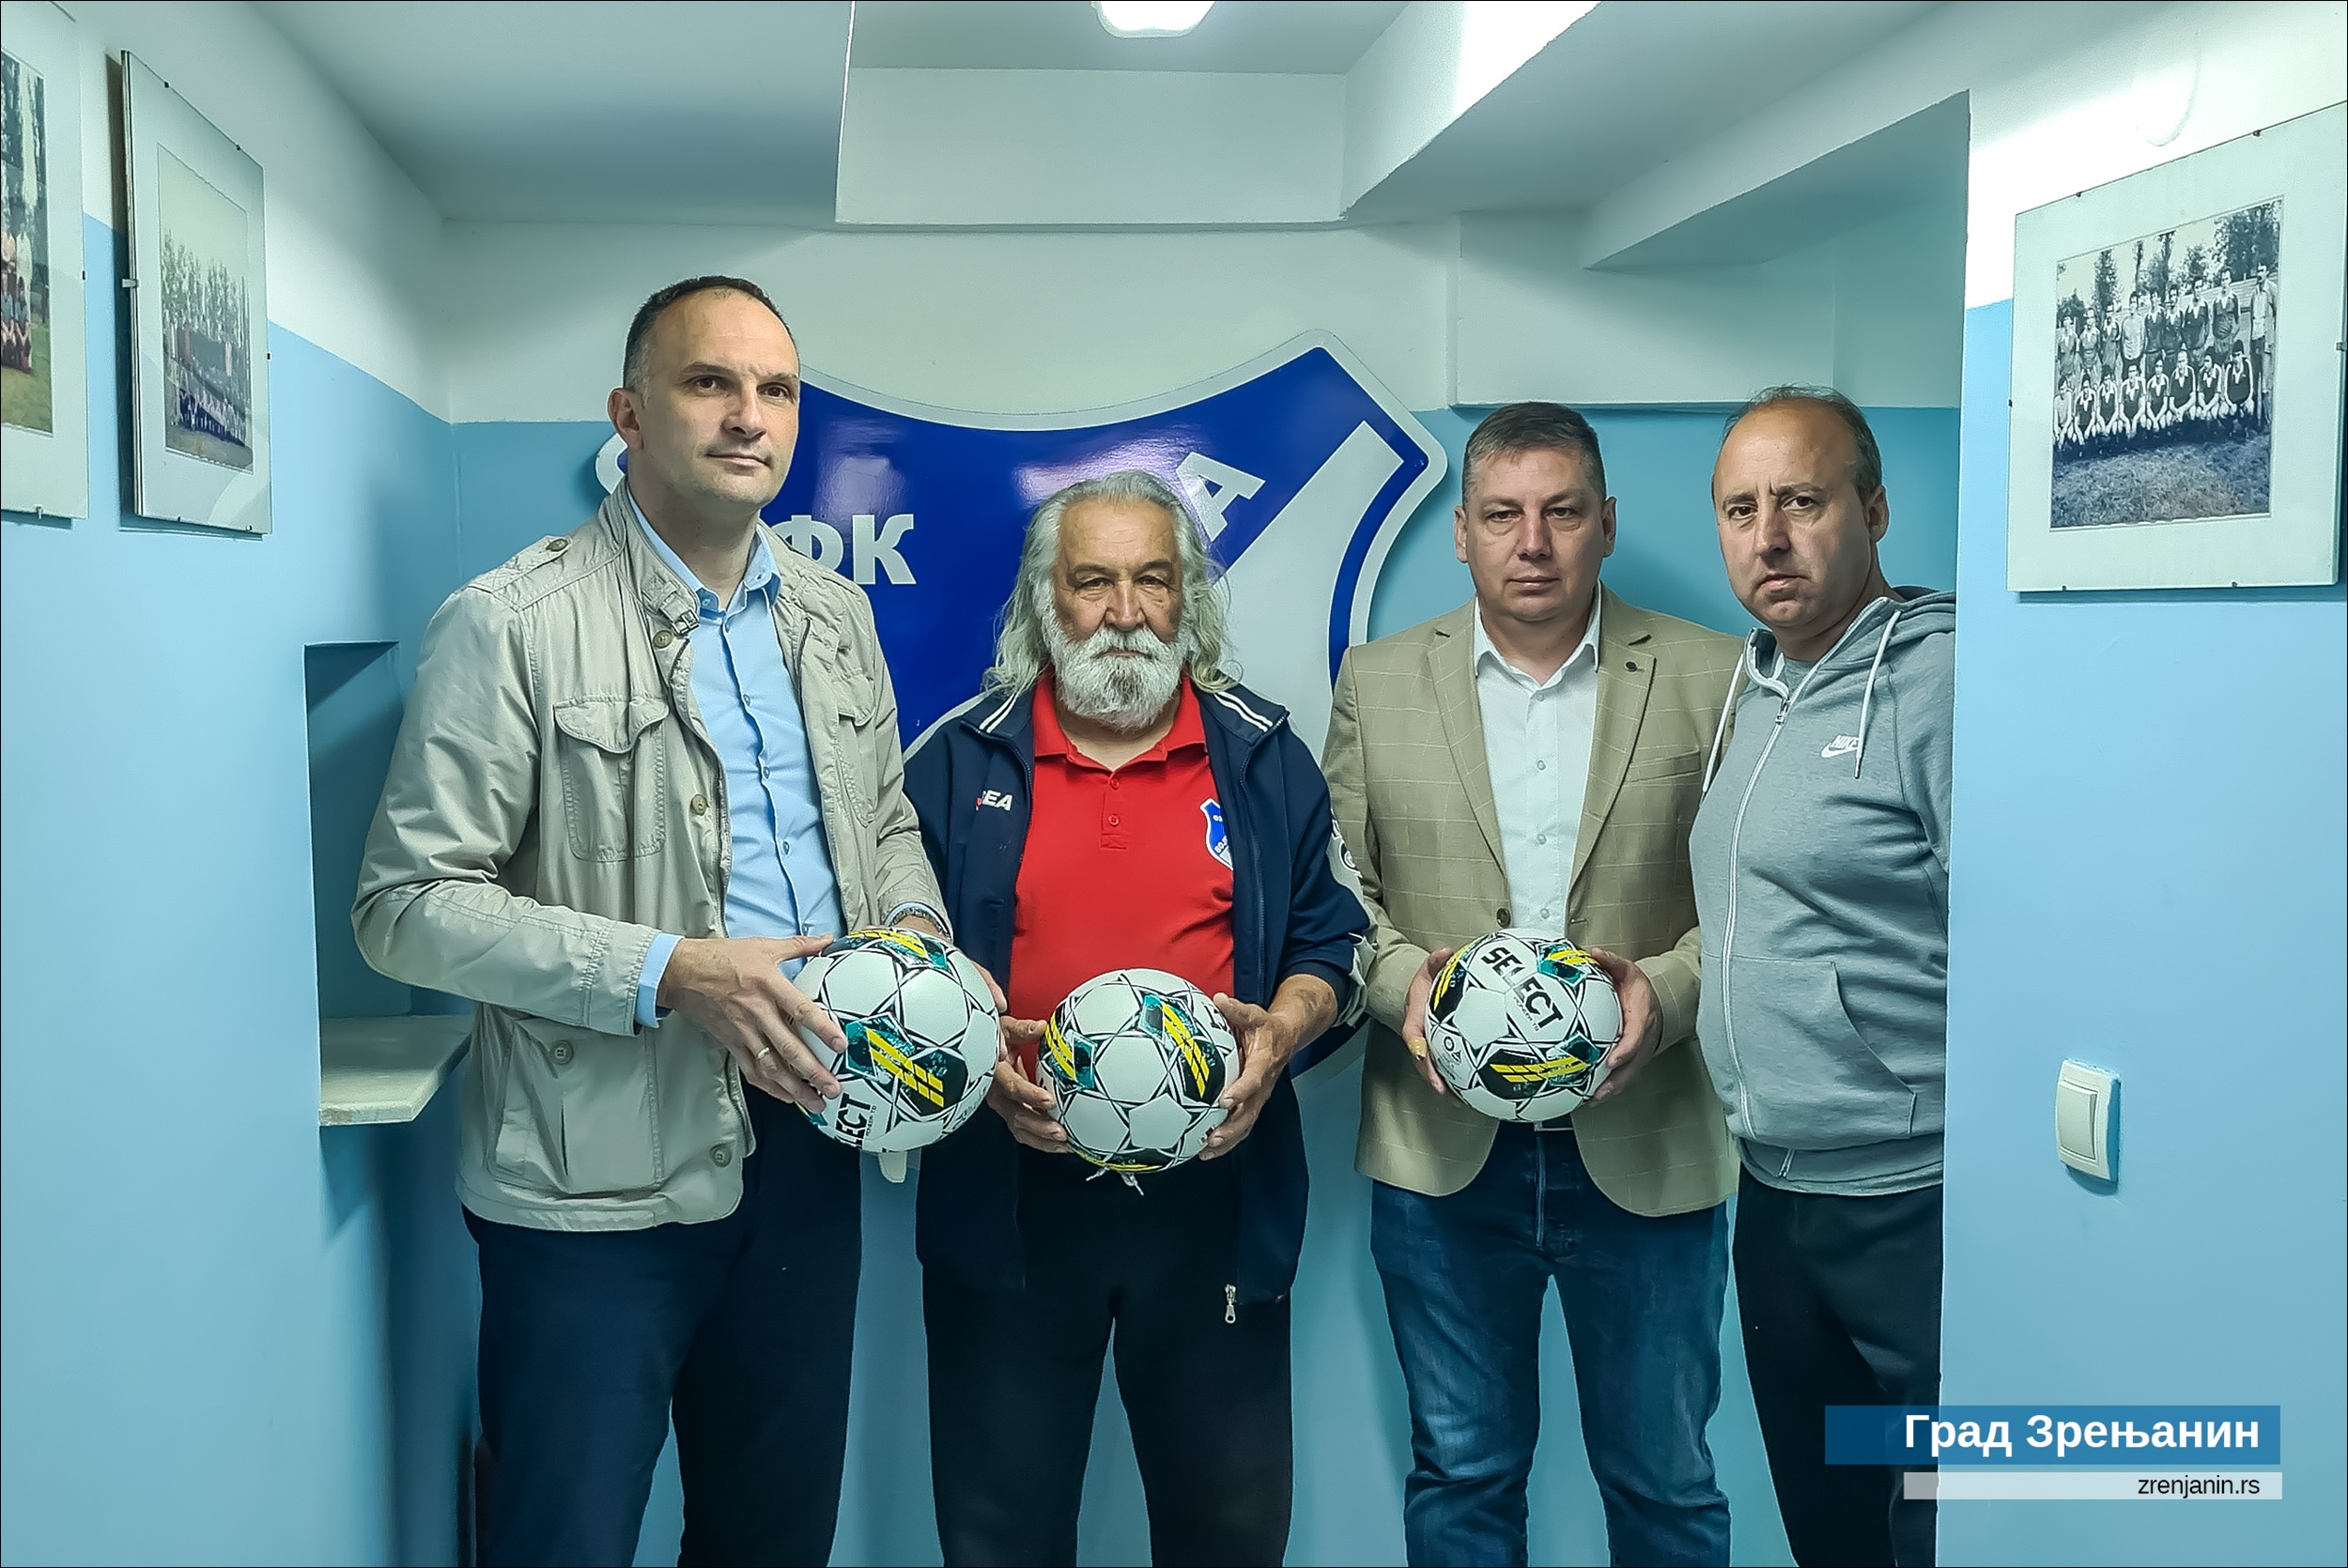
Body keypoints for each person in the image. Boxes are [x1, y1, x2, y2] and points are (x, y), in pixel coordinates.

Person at [353, 276, 953, 1566]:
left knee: (772, 1537)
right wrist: (674, 970)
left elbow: (885, 818)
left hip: (810, 1143)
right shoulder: (511, 622)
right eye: (709, 383)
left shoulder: (837, 618)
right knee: (562, 1537)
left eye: (776, 390)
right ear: (628, 414)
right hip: (589, 1187)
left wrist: (913, 934)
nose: (749, 415)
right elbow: (406, 908)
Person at [904, 469, 1368, 1566]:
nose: (1124, 611)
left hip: (1216, 1197)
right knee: (998, 1537)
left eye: (1152, 579)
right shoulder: (959, 758)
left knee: (1228, 1535)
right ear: (1044, 601)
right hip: (1008, 1200)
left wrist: (1281, 1031)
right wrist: (972, 1066)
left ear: (1187, 599)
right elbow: (894, 973)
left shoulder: (1261, 755)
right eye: (1092, 581)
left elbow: (1336, 941)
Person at [1323, 402, 1742, 1567]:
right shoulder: (1377, 681)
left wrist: (1664, 991)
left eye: (1561, 512)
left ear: (1606, 522)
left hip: (1648, 1143)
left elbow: (1753, 898)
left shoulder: (1713, 674)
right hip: (1440, 1153)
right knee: (1461, 1476)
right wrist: (1405, 985)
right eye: (1503, 515)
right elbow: (1339, 892)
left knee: (1665, 1482)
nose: (1533, 542)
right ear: (1461, 531)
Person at [1692, 386, 1953, 1568]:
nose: (1769, 537)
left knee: (1942, 1522)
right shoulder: (1752, 684)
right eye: (1740, 509)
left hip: (1913, 1200)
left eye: (1800, 500)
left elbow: (2025, 934)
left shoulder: (1940, 679)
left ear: (1875, 509)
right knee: (1833, 1525)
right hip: (1777, 1195)